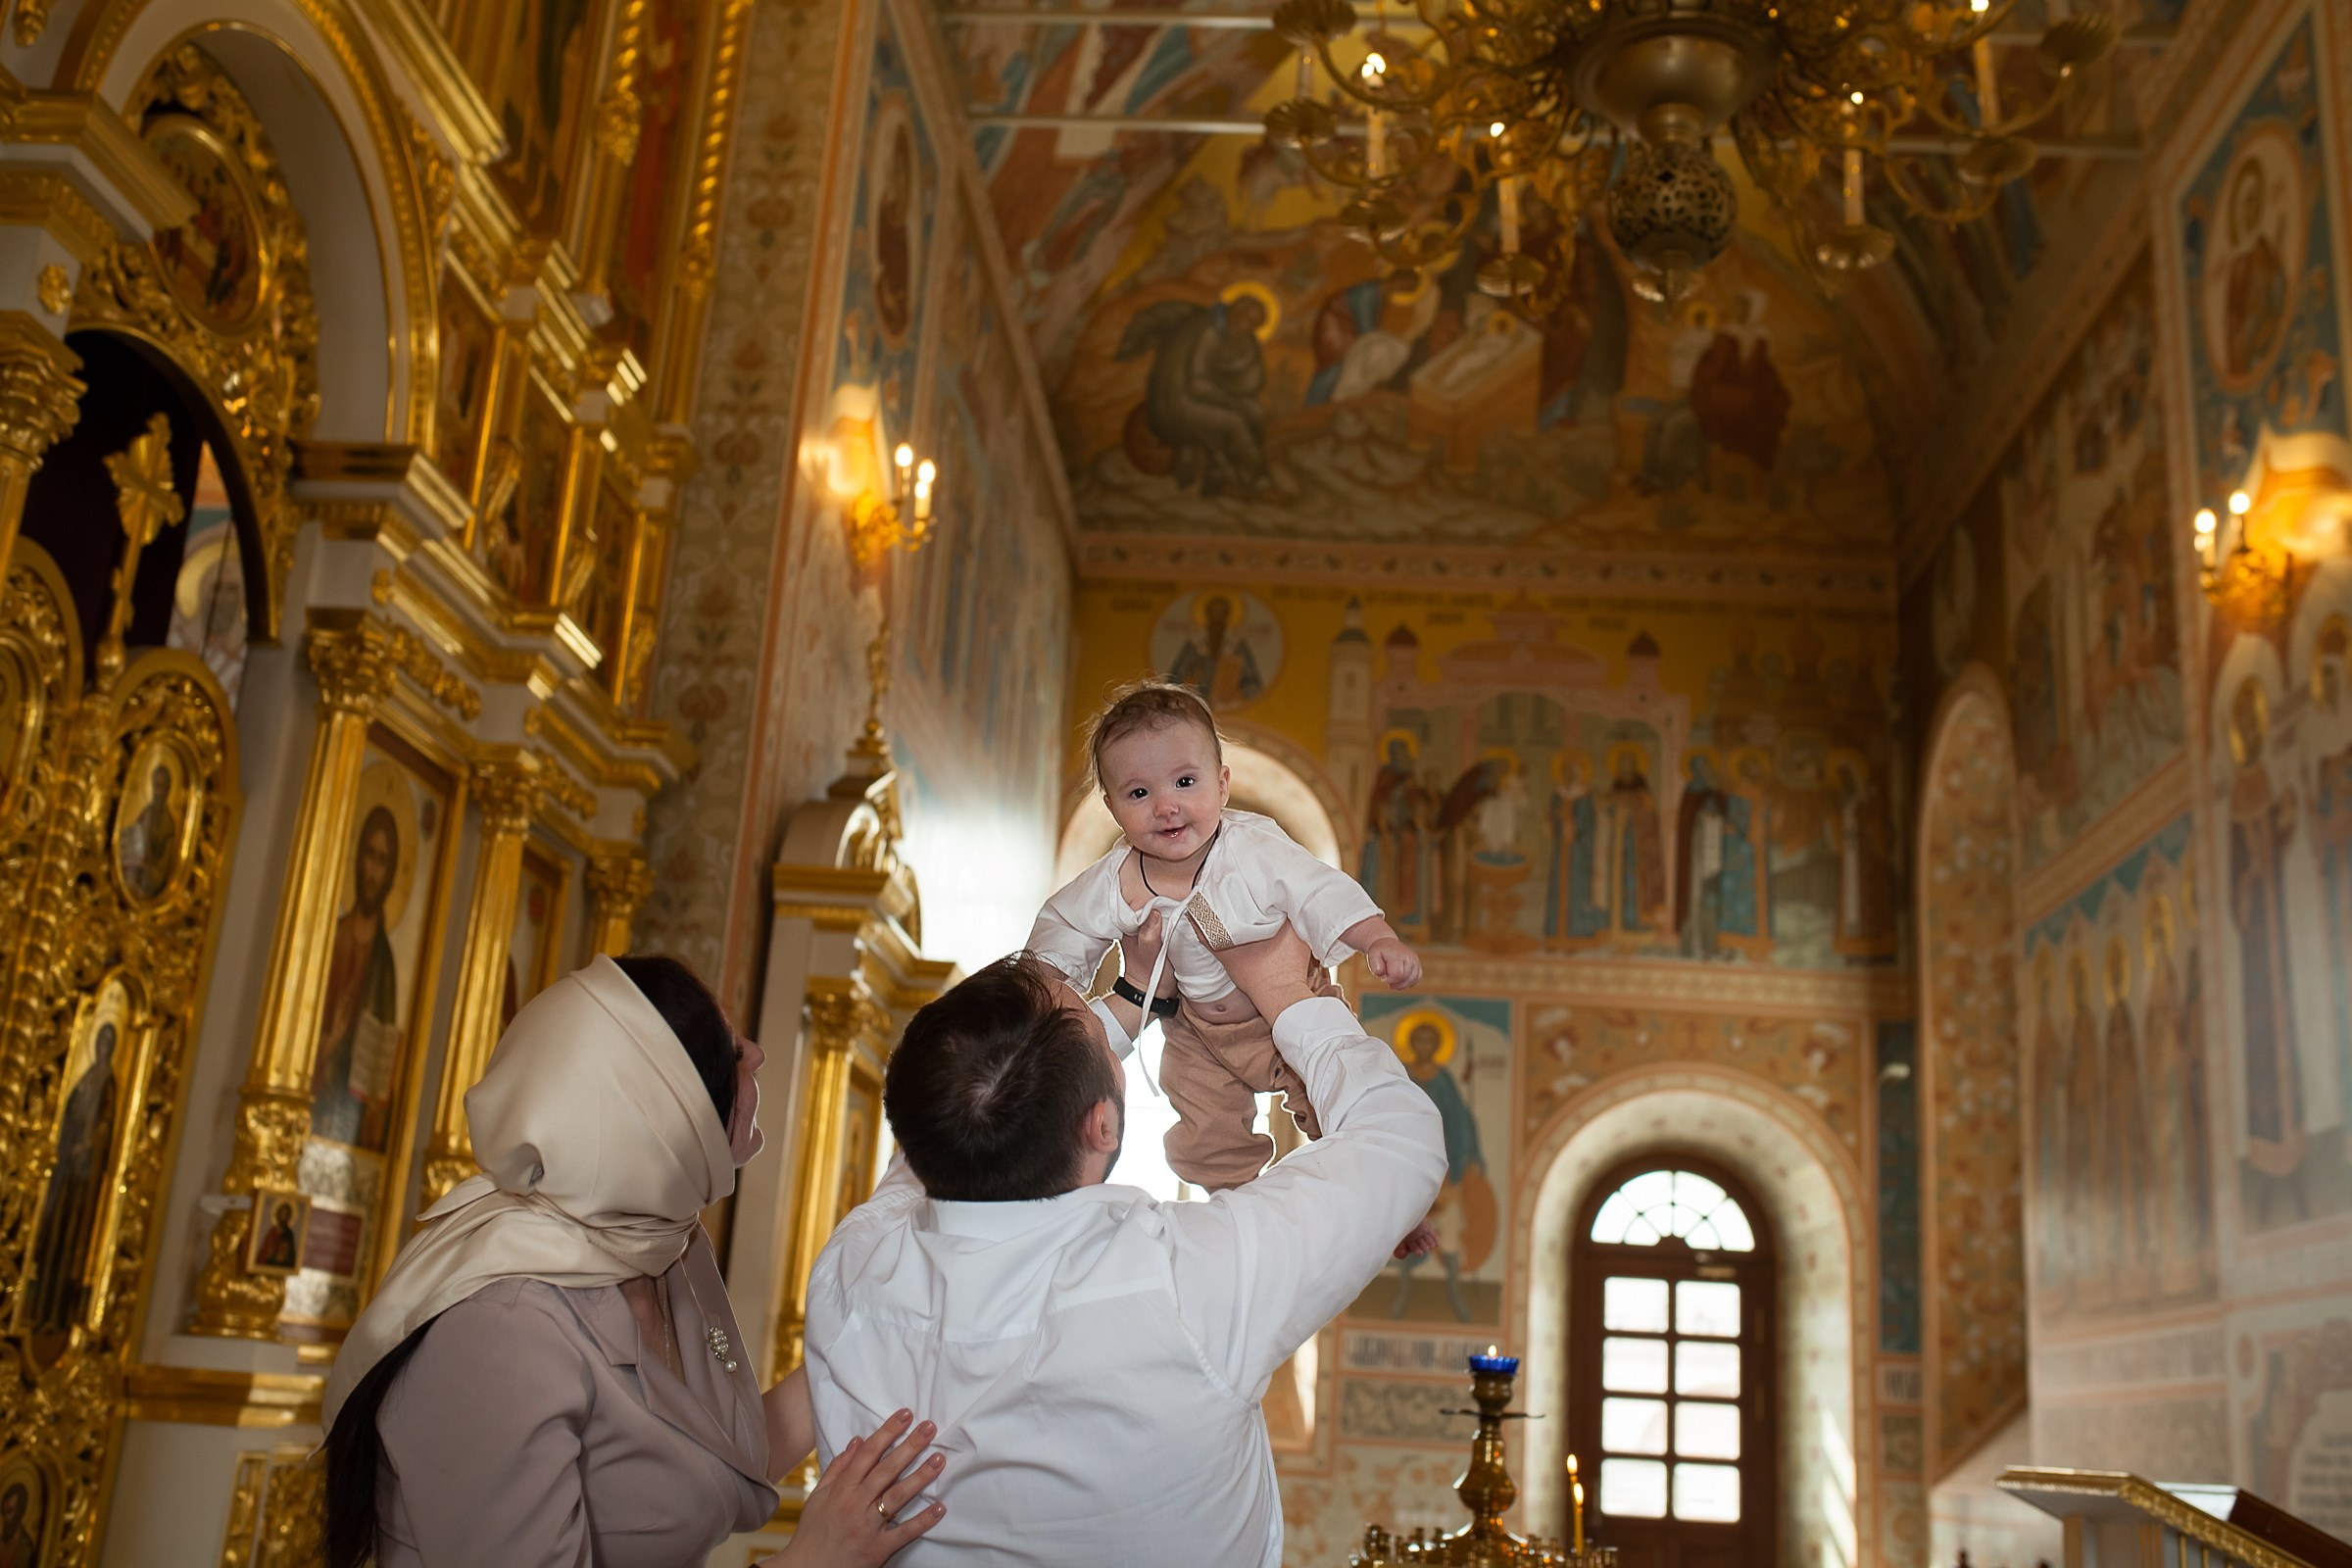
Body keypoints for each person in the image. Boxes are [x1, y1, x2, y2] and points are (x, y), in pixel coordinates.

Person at [804, 919, 1447, 1566]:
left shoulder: (854, 1268)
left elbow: (954, 1115)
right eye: (1096, 1025)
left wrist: (1133, 997)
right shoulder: (1184, 1284)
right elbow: (1400, 1143)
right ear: (1103, 1126)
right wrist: (1288, 993)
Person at [321, 955, 944, 1568]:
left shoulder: (665, 1257)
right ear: (664, 1119)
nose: (754, 1054)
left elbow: (732, 1448)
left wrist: (884, 1318)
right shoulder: (501, 1332)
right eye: (728, 1054)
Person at [1031, 681, 1432, 1255]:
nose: (1166, 806)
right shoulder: (1114, 879)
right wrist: (1045, 986)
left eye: (1185, 783)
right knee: (1202, 1133)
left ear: (1222, 784)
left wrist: (1376, 939)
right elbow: (1062, 928)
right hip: (1194, 1031)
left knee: (1333, 1105)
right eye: (1139, 792)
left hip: (1280, 1015)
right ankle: (1245, 1210)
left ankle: (1390, 1216)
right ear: (1113, 807)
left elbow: (1318, 891)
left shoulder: (1254, 848)